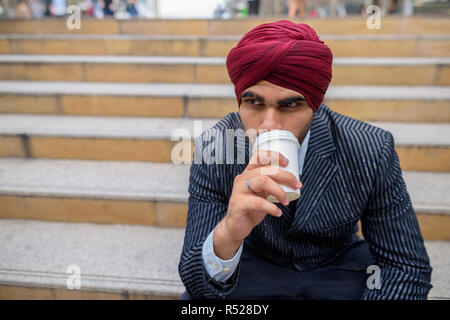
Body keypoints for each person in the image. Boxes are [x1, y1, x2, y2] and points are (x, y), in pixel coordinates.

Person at [178, 20, 432, 300]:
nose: (269, 124)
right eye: (254, 102)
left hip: (339, 267)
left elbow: (406, 266)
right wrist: (227, 234)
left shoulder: (369, 147)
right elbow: (195, 275)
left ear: (315, 103)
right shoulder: (216, 147)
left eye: (290, 105)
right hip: (252, 266)